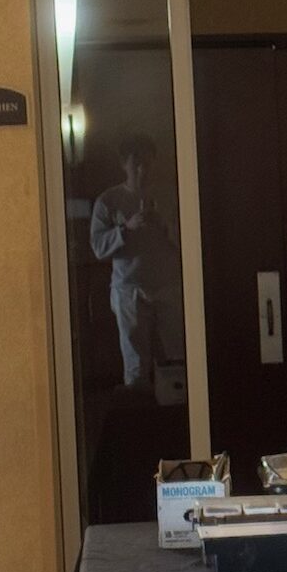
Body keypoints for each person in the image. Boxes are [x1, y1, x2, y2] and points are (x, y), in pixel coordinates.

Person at [89, 135, 184, 392]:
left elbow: (191, 242)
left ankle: (179, 418)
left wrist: (164, 225)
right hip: (129, 290)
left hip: (168, 287)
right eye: (136, 163)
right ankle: (138, 421)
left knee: (177, 356)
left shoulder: (170, 197)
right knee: (135, 364)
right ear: (124, 164)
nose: (142, 169)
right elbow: (98, 247)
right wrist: (125, 229)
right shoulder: (108, 201)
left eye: (147, 163)